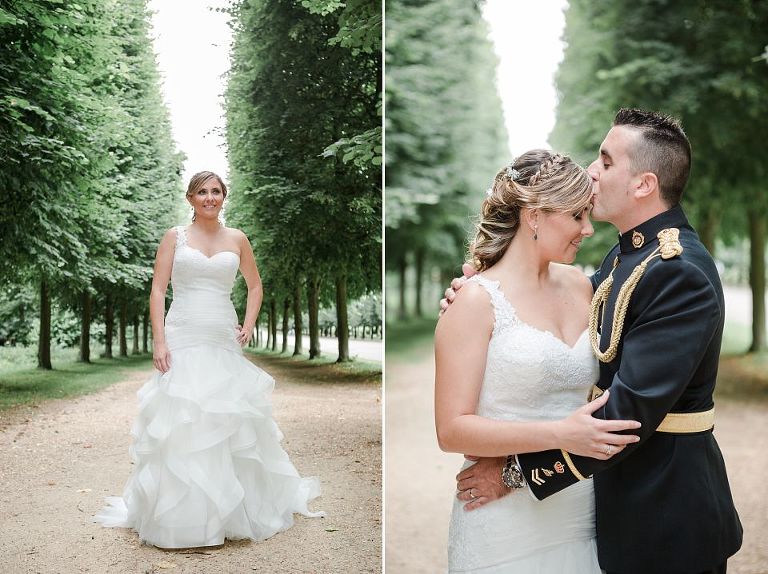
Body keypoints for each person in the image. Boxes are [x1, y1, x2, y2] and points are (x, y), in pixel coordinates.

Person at [443, 110, 743, 574]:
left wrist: (512, 471)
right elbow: (534, 298)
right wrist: (476, 291)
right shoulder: (622, 258)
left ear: (643, 184)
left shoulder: (678, 271)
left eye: (605, 161)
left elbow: (626, 413)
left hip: (665, 514)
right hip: (606, 508)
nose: (591, 172)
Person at [435, 149, 644, 573]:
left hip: (580, 509)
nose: (588, 230)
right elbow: (451, 429)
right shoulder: (475, 300)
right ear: (534, 215)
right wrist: (561, 434)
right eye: (576, 216)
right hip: (502, 525)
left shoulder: (584, 286)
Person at [94, 171, 324, 549]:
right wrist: (159, 340)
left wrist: (248, 324)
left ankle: (232, 511)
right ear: (190, 198)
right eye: (202, 191)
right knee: (184, 415)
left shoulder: (237, 238)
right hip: (182, 330)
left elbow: (255, 285)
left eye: (216, 191)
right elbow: (157, 288)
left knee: (225, 415)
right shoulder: (174, 237)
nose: (210, 197)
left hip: (220, 331)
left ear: (223, 197)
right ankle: (181, 516)